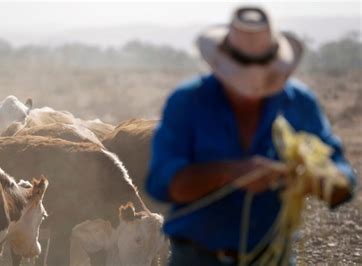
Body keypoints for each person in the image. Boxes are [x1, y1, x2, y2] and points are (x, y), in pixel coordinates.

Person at [146, 6, 357, 266]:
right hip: (197, 257)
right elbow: (162, 184)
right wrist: (230, 173)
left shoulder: (298, 103)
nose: (250, 92)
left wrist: (313, 178)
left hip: (273, 257)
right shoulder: (188, 102)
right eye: (240, 82)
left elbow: (343, 182)